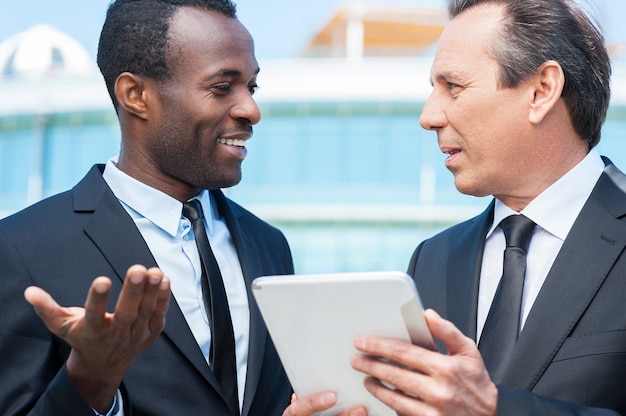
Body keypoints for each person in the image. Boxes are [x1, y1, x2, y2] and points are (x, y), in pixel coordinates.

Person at [285, 0, 626, 415]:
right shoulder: (434, 258)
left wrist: (493, 409)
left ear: (541, 91)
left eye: (453, 86)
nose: (429, 116)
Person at [0, 0, 294, 415]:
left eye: (252, 86)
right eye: (222, 86)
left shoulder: (270, 246)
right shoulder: (20, 250)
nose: (251, 109)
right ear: (135, 95)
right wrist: (92, 380)